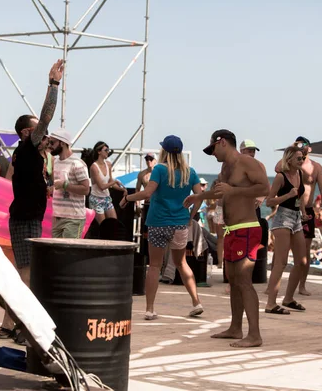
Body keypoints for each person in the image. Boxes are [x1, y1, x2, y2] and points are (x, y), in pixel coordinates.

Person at [185, 129, 270, 348]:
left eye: (212, 149)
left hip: (248, 228)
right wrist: (199, 196)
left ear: (222, 143)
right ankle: (235, 328)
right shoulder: (224, 167)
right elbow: (222, 192)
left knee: (243, 281)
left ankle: (255, 335)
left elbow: (264, 188)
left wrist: (233, 190)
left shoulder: (246, 162)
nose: (212, 154)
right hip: (232, 229)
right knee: (233, 281)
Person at [0, 59, 63, 341]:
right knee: (28, 274)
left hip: (26, 215)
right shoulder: (27, 147)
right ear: (27, 133)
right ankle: (25, 328)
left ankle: (7, 325)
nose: (45, 133)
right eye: (38, 130)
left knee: (23, 272)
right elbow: (46, 117)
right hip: (25, 218)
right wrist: (53, 84)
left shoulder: (30, 155)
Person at [121, 135, 203, 320]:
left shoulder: (159, 169)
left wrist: (128, 198)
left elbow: (147, 192)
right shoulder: (190, 171)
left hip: (158, 222)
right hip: (180, 224)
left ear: (164, 151)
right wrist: (190, 216)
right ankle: (196, 302)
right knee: (181, 263)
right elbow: (200, 196)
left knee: (155, 266)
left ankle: (150, 309)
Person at [277, 137, 322, 296]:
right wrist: (291, 149)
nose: (302, 148)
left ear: (310, 148)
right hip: (288, 210)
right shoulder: (289, 165)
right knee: (282, 251)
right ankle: (274, 285)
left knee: (304, 252)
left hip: (307, 211)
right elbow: (277, 167)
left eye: (304, 145)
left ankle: (302, 285)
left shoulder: (316, 167)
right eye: (298, 145)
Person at [265, 145, 309, 315]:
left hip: (297, 217)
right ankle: (270, 303)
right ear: (289, 159)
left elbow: (301, 196)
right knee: (281, 262)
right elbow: (269, 202)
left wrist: (304, 212)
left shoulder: (300, 174)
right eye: (299, 158)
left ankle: (288, 298)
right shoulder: (280, 177)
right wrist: (287, 196)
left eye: (303, 158)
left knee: (302, 262)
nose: (302, 161)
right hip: (282, 217)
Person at [48, 129, 90, 239]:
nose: (50, 145)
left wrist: (64, 185)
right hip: (57, 216)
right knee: (57, 253)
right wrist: (52, 189)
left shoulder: (77, 163)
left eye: (52, 142)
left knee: (68, 253)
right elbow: (58, 186)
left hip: (73, 218)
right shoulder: (55, 162)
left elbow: (86, 189)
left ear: (62, 143)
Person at [89, 141, 127, 224]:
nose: (108, 152)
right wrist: (115, 181)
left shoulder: (108, 164)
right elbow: (102, 186)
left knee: (114, 224)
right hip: (96, 199)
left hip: (106, 198)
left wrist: (122, 190)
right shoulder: (94, 167)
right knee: (103, 226)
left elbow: (110, 184)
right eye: (106, 150)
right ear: (99, 152)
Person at [136, 153, 157, 257]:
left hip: (158, 205)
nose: (149, 161)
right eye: (147, 159)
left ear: (155, 160)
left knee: (157, 230)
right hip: (147, 205)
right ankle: (145, 256)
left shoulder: (159, 173)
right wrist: (137, 204)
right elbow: (137, 190)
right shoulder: (142, 174)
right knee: (146, 231)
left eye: (151, 159)